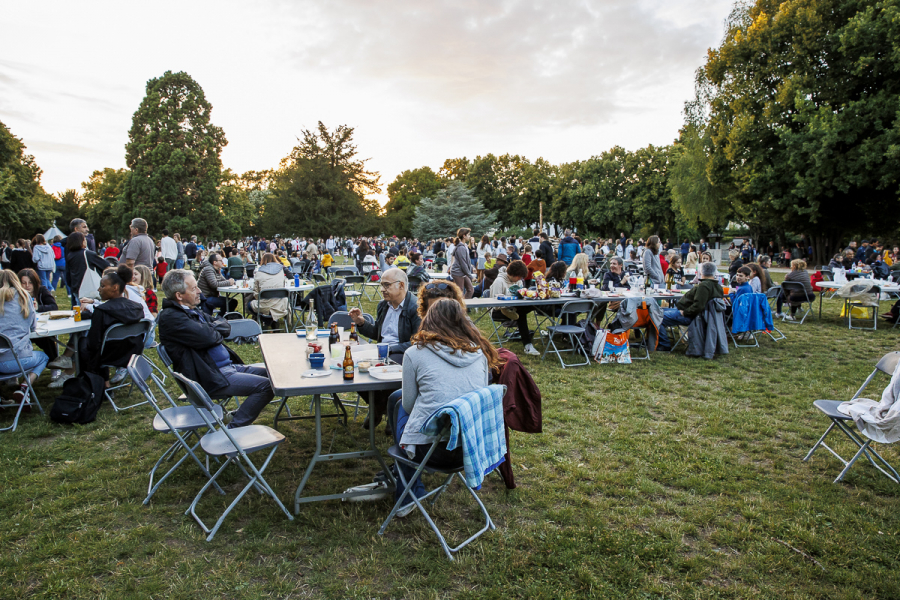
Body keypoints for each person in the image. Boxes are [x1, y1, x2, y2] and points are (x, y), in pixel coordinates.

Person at [386, 298, 502, 515]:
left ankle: (408, 491)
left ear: (428, 320)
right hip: (468, 447)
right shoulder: (479, 353)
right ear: (463, 322)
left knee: (400, 403)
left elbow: (410, 406)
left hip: (433, 451)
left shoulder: (415, 353)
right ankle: (407, 482)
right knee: (397, 397)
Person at [158, 269, 275, 428]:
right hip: (209, 375)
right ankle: (233, 429)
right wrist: (212, 330)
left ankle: (236, 416)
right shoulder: (172, 317)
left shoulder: (191, 310)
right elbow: (209, 336)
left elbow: (224, 327)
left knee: (274, 374)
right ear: (179, 295)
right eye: (193, 288)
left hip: (224, 368)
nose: (199, 291)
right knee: (266, 386)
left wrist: (211, 330)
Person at [348, 267, 422, 429]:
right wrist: (361, 322)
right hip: (382, 350)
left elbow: (418, 342)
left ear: (401, 285)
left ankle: (384, 410)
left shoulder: (415, 308)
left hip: (405, 353)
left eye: (387, 285)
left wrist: (389, 348)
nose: (382, 289)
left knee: (388, 366)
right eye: (381, 285)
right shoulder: (383, 306)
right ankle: (381, 408)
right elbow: (378, 333)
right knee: (354, 365)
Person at [76, 265, 147, 384]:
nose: (99, 289)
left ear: (115, 287)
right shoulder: (137, 307)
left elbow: (93, 343)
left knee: (83, 342)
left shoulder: (102, 311)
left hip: (109, 356)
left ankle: (97, 383)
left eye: (103, 286)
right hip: (133, 354)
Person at [0, 271, 49, 406]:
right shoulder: (24, 296)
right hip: (20, 359)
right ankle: (24, 387)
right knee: (43, 357)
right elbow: (33, 326)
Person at [657, 261, 724, 350]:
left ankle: (664, 344)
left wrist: (685, 312)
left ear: (701, 272)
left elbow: (698, 306)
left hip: (692, 316)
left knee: (656, 316)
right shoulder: (718, 287)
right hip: (703, 316)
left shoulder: (704, 286)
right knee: (658, 311)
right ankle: (657, 340)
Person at [489, 260, 540, 356]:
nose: (520, 279)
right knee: (521, 314)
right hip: (499, 310)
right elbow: (495, 304)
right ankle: (527, 345)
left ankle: (528, 344)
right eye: (519, 277)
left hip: (515, 309)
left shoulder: (519, 281)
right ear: (514, 274)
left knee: (529, 307)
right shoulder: (499, 281)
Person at [64, 231, 109, 306]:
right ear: (81, 241)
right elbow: (105, 265)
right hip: (89, 288)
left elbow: (68, 274)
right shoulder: (87, 254)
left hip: (76, 288)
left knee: (80, 311)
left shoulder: (70, 256)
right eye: (84, 239)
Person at [248, 253, 290, 324]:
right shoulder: (281, 271)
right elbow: (282, 286)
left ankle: (266, 320)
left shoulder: (259, 273)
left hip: (265, 304)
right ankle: (272, 320)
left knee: (249, 305)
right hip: (280, 304)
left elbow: (256, 294)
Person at [449, 227, 475, 299]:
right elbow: (463, 263)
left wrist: (472, 267)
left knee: (470, 290)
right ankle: (459, 307)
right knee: (459, 292)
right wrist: (470, 276)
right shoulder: (461, 248)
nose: (469, 236)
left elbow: (466, 261)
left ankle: (464, 306)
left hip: (463, 272)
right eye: (468, 234)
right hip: (458, 272)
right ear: (464, 236)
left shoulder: (464, 246)